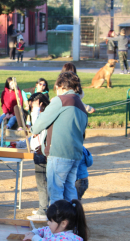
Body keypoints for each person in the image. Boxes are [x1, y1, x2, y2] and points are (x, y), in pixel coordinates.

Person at [31, 72, 88, 205]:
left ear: (61, 86)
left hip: (59, 153)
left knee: (56, 193)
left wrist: (34, 127)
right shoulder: (80, 104)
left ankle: (57, 223)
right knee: (70, 191)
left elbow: (40, 123)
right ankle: (72, 223)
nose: (56, 91)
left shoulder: (61, 100)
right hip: (75, 154)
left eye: (56, 88)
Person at [15, 93, 50, 221]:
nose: (31, 107)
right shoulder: (45, 115)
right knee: (44, 183)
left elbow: (35, 128)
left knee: (42, 184)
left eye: (33, 104)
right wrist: (20, 143)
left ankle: (43, 211)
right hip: (41, 151)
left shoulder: (42, 115)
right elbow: (34, 136)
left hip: (42, 153)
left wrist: (35, 110)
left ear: (40, 104)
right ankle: (44, 207)